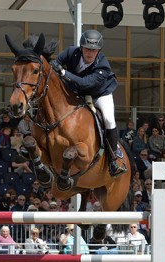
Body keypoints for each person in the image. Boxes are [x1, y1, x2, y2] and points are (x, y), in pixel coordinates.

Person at [51, 29, 126, 177]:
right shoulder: (71, 52)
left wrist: (63, 72)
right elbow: (56, 62)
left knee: (109, 119)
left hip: (100, 93)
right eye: (87, 49)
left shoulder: (103, 65)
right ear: (81, 47)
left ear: (99, 51)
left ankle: (113, 159)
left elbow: (84, 83)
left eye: (94, 50)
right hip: (76, 92)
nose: (90, 53)